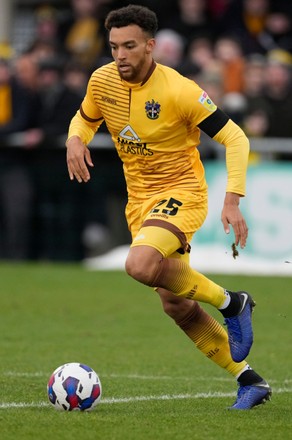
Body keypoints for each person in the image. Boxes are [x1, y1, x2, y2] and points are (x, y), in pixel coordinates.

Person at [65, 4, 272, 410]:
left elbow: (237, 139)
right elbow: (85, 118)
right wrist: (76, 138)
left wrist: (232, 200)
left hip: (182, 192)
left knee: (139, 265)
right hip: (140, 202)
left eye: (128, 46)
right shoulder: (102, 80)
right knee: (175, 302)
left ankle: (233, 302)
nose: (119, 55)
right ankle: (250, 380)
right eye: (113, 47)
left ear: (150, 46)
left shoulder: (179, 90)